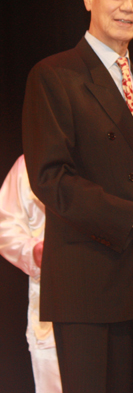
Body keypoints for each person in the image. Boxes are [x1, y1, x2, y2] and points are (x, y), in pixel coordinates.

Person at [22, 0, 133, 393]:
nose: (127, 5)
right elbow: (50, 179)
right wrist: (132, 215)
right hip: (91, 284)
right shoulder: (54, 75)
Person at [0, 155, 62, 393]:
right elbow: (4, 224)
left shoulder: (107, 155)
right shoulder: (31, 162)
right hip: (51, 303)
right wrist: (32, 251)